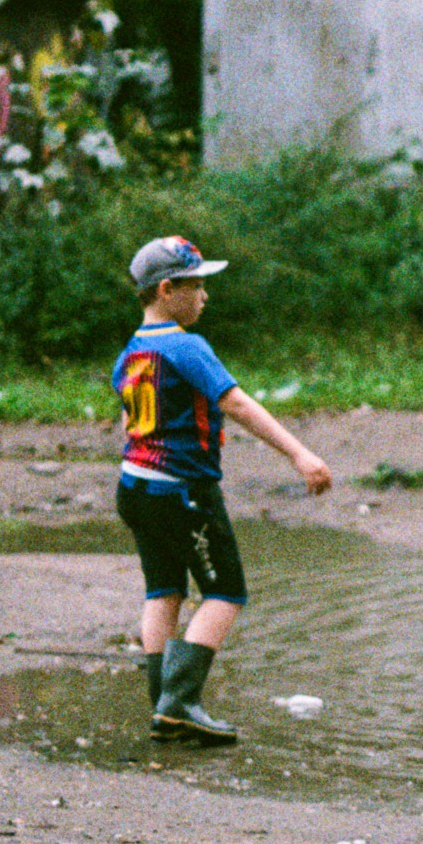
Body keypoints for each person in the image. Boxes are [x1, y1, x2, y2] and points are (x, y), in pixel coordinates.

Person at [113, 236, 332, 745]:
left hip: (135, 486)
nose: (206, 295)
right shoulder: (186, 345)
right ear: (167, 290)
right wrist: (300, 454)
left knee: (163, 588)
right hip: (182, 489)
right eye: (197, 285)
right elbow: (235, 403)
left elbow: (131, 422)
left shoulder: (132, 350)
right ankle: (180, 702)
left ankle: (163, 703)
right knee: (226, 591)